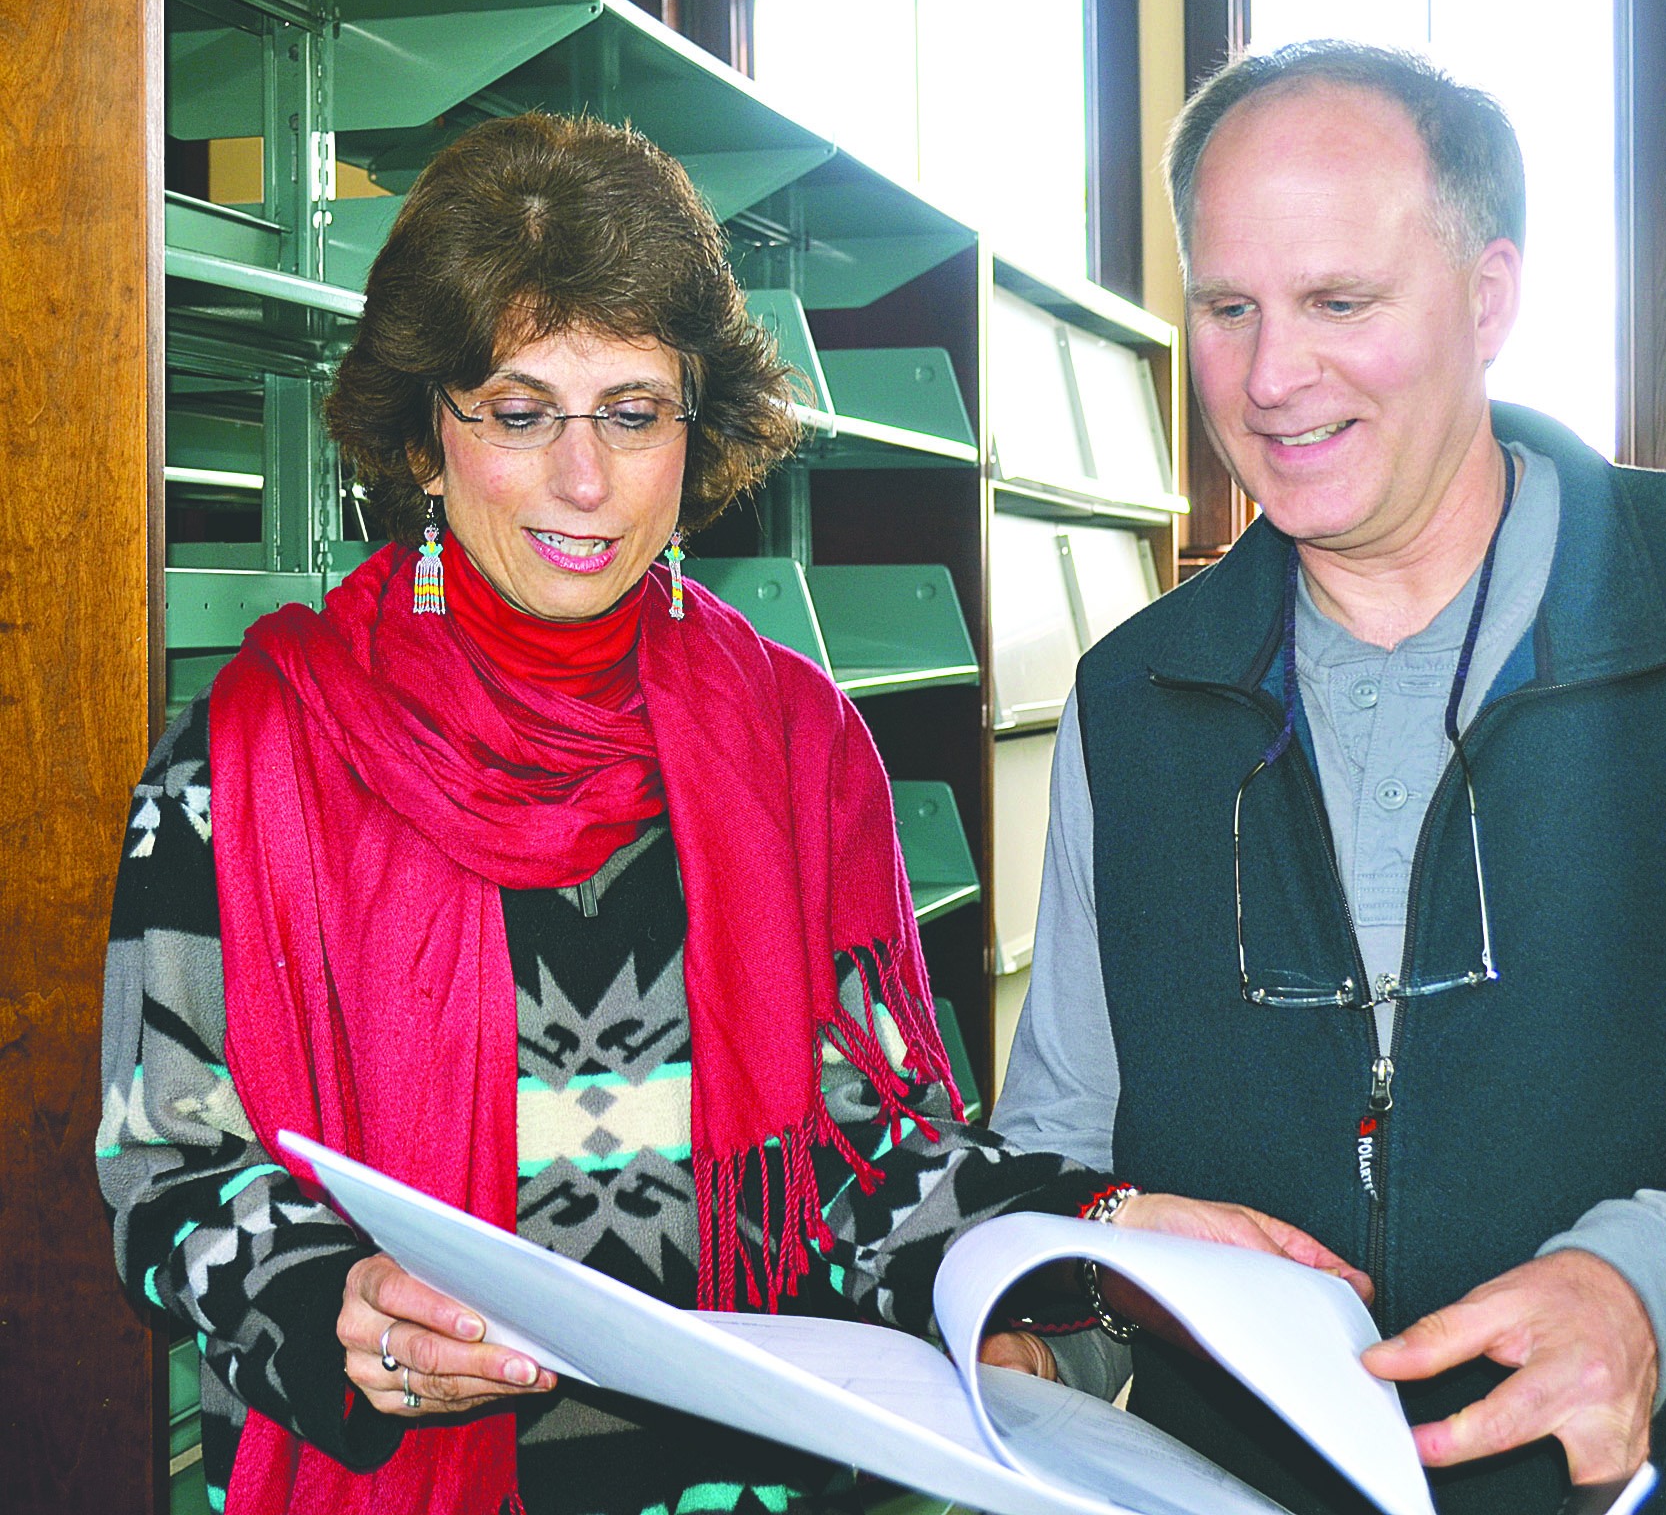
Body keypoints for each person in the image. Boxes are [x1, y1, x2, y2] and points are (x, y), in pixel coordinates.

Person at [96, 112, 1338, 1515]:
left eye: (633, 411)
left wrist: (1096, 1234)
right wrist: (330, 1301)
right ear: (422, 442)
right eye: (518, 412)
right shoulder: (248, 761)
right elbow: (163, 1168)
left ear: (698, 433)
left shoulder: (800, 744)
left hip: (768, 1480)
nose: (585, 479)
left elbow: (880, 1162)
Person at [992, 41, 1666, 1515]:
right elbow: (1069, 1136)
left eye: (1341, 302)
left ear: (1489, 296)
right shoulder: (1131, 698)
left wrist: (1661, 1287)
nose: (1273, 378)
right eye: (1228, 308)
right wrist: (1041, 1344)